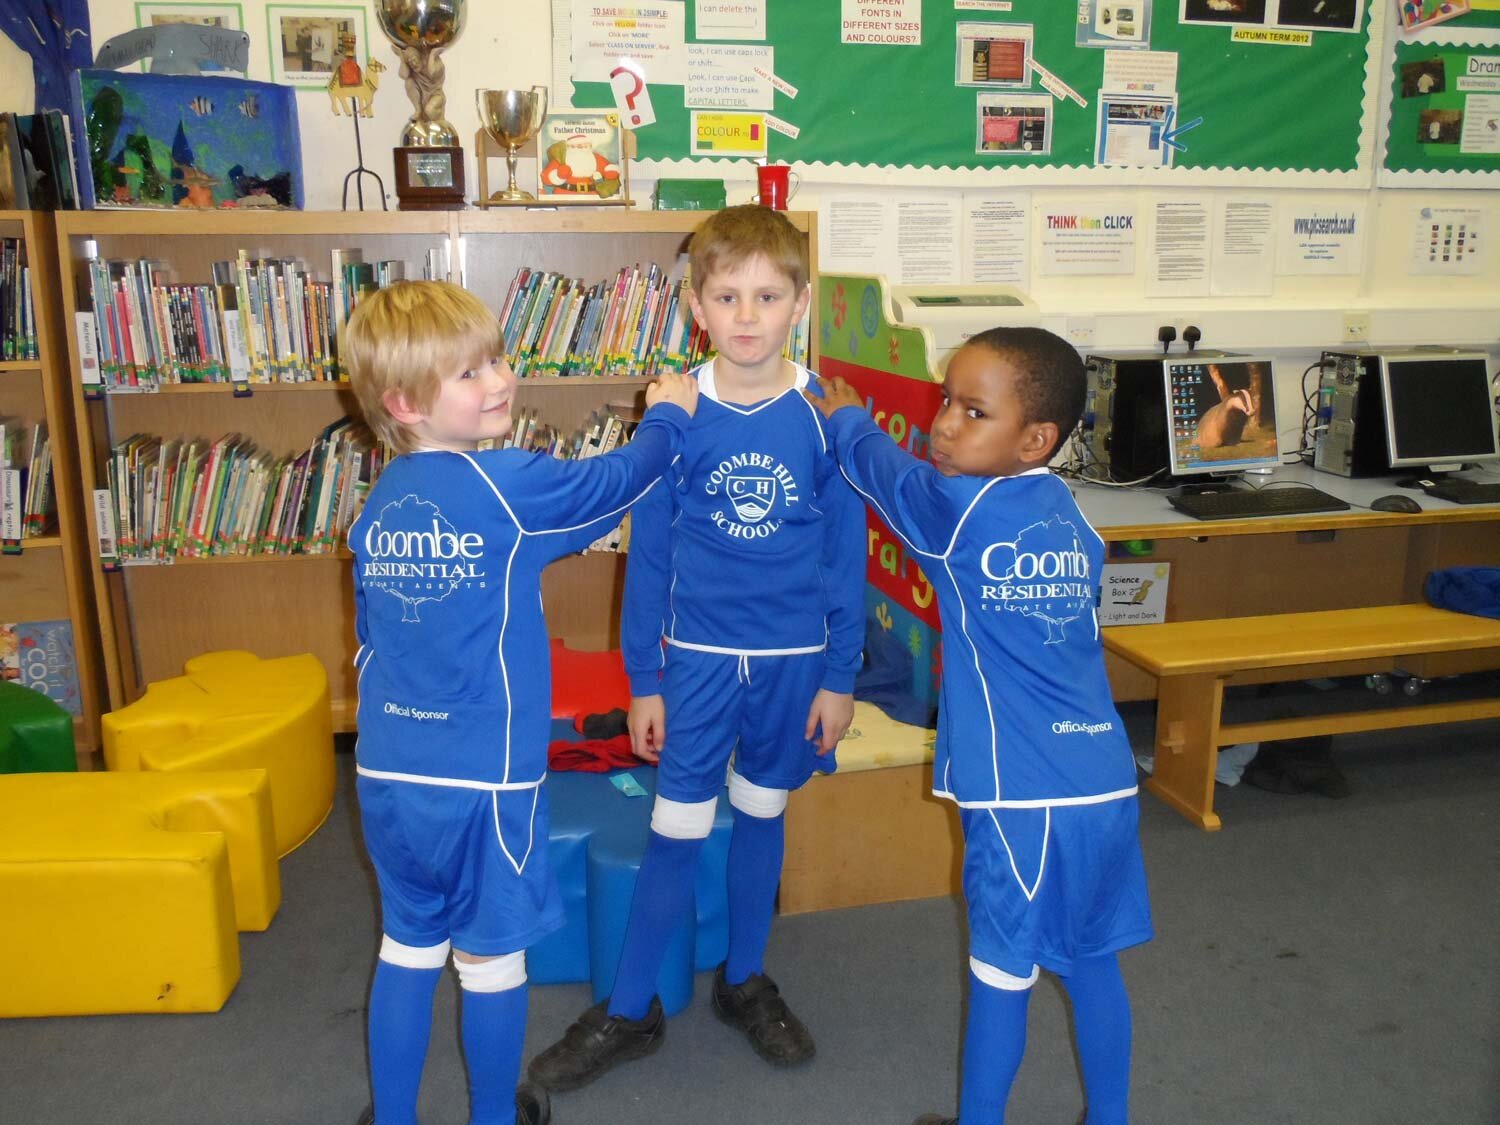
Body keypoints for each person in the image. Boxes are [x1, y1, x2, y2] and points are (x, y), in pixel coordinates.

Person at [343, 280, 698, 1125]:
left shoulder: (378, 504)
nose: (500, 379)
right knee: (493, 959)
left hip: (388, 772)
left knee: (407, 945)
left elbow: (373, 635)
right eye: (469, 373)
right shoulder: (508, 483)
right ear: (404, 401)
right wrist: (670, 414)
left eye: (496, 358)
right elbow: (622, 479)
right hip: (487, 782)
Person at [528, 204, 865, 1093]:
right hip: (698, 666)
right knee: (675, 827)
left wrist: (840, 676)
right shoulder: (677, 416)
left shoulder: (824, 418)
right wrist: (645, 681)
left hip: (794, 669)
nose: (747, 315)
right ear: (696, 307)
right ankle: (629, 1005)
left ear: (801, 301)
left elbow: (845, 556)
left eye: (767, 295)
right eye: (728, 296)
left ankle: (745, 979)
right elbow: (651, 561)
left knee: (762, 815)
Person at [804, 326, 1154, 1125]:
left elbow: (880, 472)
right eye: (945, 401)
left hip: (1018, 791)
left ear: (1035, 439)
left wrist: (850, 418)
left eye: (973, 411)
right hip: (1104, 779)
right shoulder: (1067, 509)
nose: (944, 424)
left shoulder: (956, 511)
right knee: (1093, 960)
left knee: (1002, 971)